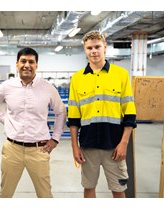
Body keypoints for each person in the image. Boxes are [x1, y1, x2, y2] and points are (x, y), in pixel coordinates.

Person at [0, 47, 66, 198]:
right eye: (23, 61)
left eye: (31, 62)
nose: (27, 65)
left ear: (37, 65)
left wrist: (55, 138)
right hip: (12, 149)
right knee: (5, 195)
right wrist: (6, 120)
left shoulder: (48, 88)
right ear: (17, 64)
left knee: (45, 196)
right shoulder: (7, 86)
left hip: (39, 150)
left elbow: (61, 111)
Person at [67, 30, 137, 198]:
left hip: (114, 145)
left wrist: (124, 144)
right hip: (88, 145)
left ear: (105, 47)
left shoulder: (120, 75)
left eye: (97, 46)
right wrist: (75, 147)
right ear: (85, 50)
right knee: (89, 187)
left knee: (119, 189)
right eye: (89, 48)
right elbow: (74, 118)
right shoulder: (77, 79)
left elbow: (129, 113)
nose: (94, 51)